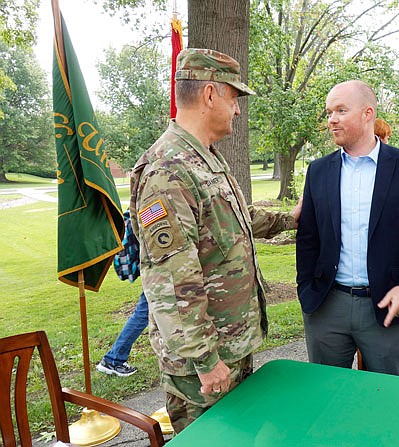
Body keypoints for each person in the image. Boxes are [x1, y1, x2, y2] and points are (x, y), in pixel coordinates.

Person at [129, 48, 301, 433]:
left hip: (230, 347)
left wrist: (287, 219)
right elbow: (172, 281)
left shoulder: (204, 159)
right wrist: (206, 360)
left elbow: (232, 221)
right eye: (234, 97)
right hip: (203, 365)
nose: (238, 110)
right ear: (209, 95)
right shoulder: (168, 169)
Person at [296, 80, 399, 376]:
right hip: (326, 306)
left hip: (385, 307)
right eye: (329, 112)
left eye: (341, 110)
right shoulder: (318, 171)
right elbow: (308, 238)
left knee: (387, 400)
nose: (331, 119)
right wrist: (306, 291)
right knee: (327, 398)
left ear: (367, 113)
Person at [97, 210, 146, 377]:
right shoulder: (150, 198)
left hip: (157, 271)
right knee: (144, 313)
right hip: (160, 273)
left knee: (147, 312)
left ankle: (114, 358)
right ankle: (113, 359)